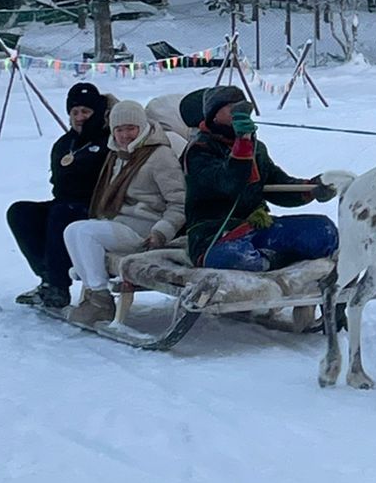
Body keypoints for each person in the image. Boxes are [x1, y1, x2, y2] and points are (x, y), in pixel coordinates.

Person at [179, 85, 338, 271]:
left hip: (257, 224)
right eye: (232, 109)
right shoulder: (199, 149)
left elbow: (277, 184)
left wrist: (312, 188)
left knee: (323, 230)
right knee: (233, 256)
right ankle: (274, 262)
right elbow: (229, 183)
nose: (240, 113)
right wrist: (242, 142)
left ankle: (270, 259)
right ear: (214, 115)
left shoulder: (257, 148)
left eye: (243, 108)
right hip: (214, 233)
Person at [63, 99, 186, 326]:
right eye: (119, 129)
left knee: (84, 233)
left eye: (131, 128)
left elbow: (180, 203)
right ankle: (93, 294)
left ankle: (100, 301)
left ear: (142, 127)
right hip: (121, 222)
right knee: (73, 230)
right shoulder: (118, 155)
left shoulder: (159, 155)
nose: (125, 135)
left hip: (145, 229)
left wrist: (161, 232)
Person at [7, 83, 111, 312]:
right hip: (65, 202)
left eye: (86, 112)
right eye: (74, 113)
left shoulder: (109, 141)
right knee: (20, 212)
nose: (80, 117)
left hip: (97, 207)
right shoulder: (65, 144)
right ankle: (46, 276)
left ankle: (58, 284)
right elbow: (58, 182)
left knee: (63, 211)